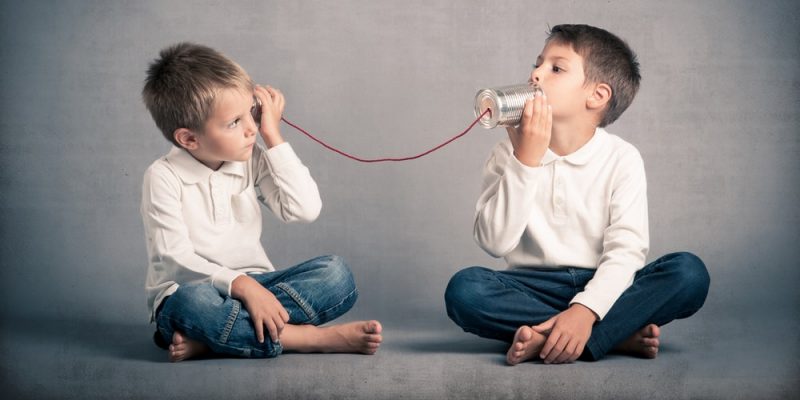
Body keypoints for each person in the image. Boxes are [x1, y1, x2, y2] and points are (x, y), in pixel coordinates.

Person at [445, 24, 709, 364]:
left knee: (689, 273)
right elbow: (494, 243)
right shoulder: (506, 154)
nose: (535, 74)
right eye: (537, 63)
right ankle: (611, 337)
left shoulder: (621, 157)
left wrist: (586, 309)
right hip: (531, 286)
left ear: (597, 96)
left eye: (555, 68)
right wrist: (525, 162)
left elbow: (627, 251)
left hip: (605, 283)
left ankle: (563, 334)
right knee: (466, 291)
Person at [141, 43, 382, 362]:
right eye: (234, 123)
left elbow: (303, 209)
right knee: (192, 304)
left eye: (250, 113)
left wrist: (274, 137)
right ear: (189, 139)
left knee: (337, 274)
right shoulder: (163, 176)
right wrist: (240, 286)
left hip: (261, 285)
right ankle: (304, 338)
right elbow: (174, 258)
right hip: (194, 290)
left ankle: (214, 339)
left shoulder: (250, 158)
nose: (250, 128)